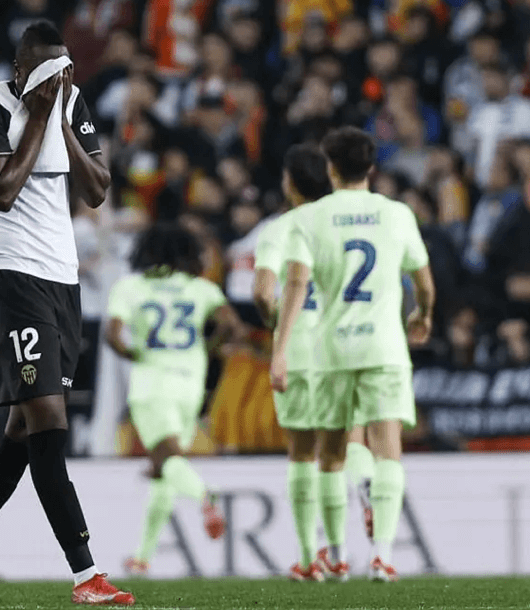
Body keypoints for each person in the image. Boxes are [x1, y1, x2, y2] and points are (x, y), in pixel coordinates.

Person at [0, 21, 130, 606]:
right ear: (20, 72)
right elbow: (4, 190)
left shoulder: (69, 101)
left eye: (65, 73)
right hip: (15, 278)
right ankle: (86, 575)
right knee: (49, 426)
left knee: (21, 436)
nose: (60, 82)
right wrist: (38, 115)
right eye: (47, 74)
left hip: (64, 284)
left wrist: (60, 116)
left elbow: (97, 189)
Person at [270, 127, 435, 583]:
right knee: (387, 453)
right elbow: (422, 278)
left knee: (331, 455)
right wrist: (423, 313)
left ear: (330, 168)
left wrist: (281, 352)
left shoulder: (311, 218)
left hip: (331, 350)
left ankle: (337, 556)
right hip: (384, 346)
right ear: (372, 168)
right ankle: (382, 556)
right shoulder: (397, 213)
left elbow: (297, 284)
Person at [105, 223, 244, 576]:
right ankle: (142, 557)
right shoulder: (201, 288)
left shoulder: (130, 287)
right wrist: (206, 350)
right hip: (190, 384)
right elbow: (230, 325)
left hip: (153, 382)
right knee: (165, 469)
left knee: (166, 460)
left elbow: (113, 335)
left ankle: (205, 495)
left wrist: (134, 355)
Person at [253, 143, 339, 582]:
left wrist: (274, 325)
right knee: (345, 447)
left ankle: (310, 557)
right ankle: (342, 541)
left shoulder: (280, 228)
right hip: (346, 348)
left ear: (290, 182)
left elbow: (263, 292)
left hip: (301, 349)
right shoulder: (344, 224)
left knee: (303, 454)